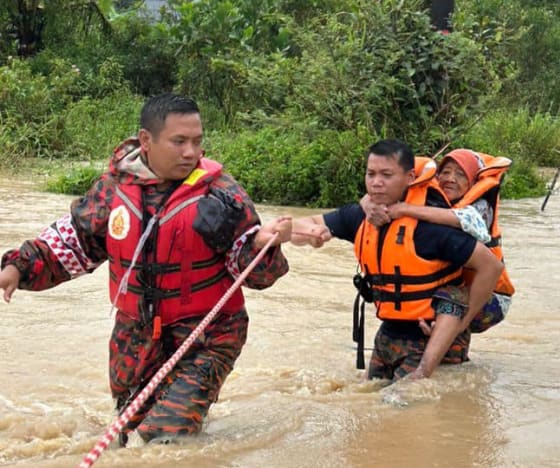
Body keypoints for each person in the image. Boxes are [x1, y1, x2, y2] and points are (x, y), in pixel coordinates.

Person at [0, 93, 293, 445]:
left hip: (207, 336)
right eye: (179, 141)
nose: (191, 152)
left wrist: (264, 245)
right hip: (135, 337)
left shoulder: (221, 194)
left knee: (161, 438)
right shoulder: (113, 191)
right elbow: (73, 243)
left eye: (197, 141)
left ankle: (185, 417)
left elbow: (256, 273)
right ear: (145, 141)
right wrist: (17, 267)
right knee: (126, 436)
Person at [291, 139, 503, 381]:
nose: (376, 182)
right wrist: (309, 234)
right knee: (370, 409)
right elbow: (300, 226)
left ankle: (426, 368)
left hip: (435, 336)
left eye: (386, 175)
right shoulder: (362, 215)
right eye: (371, 174)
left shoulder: (430, 229)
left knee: (413, 405)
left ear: (410, 177)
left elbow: (491, 266)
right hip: (389, 334)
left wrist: (463, 324)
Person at [360, 148, 515, 334]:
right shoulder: (431, 198)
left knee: (448, 298)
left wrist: (404, 209)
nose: (450, 179)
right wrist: (369, 206)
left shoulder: (482, 208)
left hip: (492, 300)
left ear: (473, 182)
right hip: (456, 287)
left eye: (460, 174)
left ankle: (451, 337)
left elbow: (464, 219)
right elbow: (373, 195)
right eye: (446, 172)